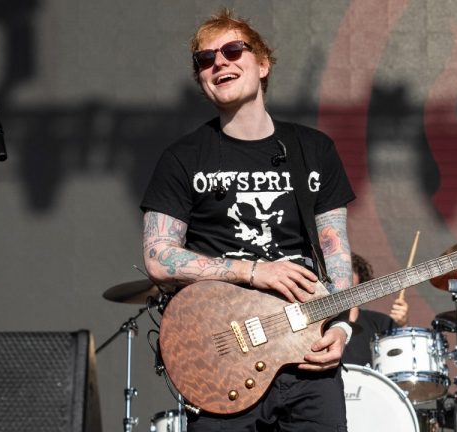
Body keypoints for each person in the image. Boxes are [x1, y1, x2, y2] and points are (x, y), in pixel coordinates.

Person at [140, 8, 355, 432]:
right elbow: (158, 256)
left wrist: (343, 331)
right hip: (224, 359)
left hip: (307, 353)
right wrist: (254, 271)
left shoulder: (313, 149)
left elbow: (338, 256)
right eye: (205, 59)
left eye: (233, 50)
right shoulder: (183, 158)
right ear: (202, 78)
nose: (219, 62)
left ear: (262, 63)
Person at [343, 252, 410, 366]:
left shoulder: (381, 323)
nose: (341, 275)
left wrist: (402, 326)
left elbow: (403, 358)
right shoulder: (318, 328)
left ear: (360, 280)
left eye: (347, 270)